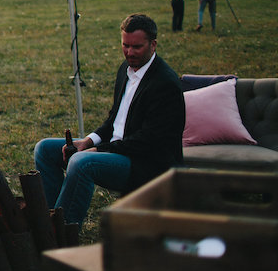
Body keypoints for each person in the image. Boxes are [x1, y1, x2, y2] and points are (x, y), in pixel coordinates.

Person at [33, 13, 185, 225]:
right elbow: (115, 118)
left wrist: (100, 150)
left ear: (153, 45)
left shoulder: (164, 83)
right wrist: (89, 141)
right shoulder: (126, 69)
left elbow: (148, 141)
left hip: (147, 164)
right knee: (45, 149)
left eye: (137, 47)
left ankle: (63, 231)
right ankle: (49, 218)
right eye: (125, 45)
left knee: (82, 162)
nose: (129, 52)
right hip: (118, 149)